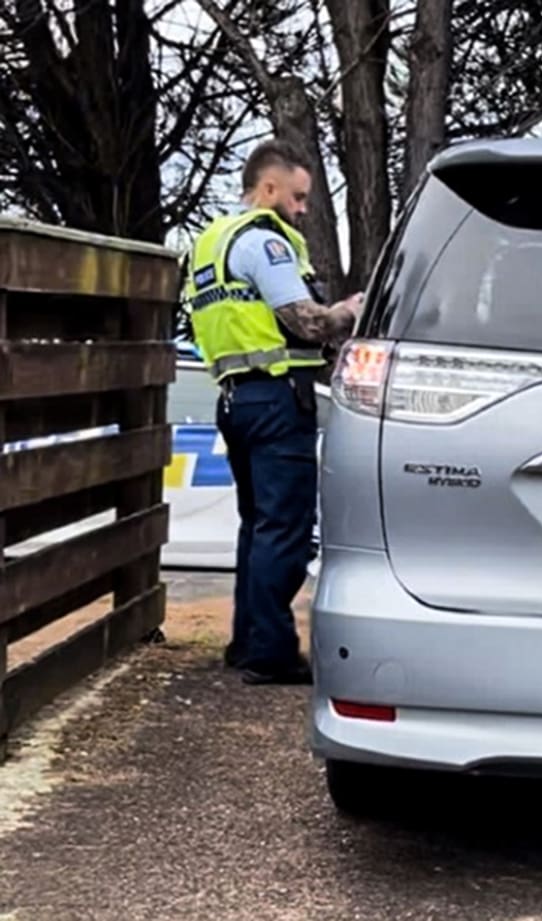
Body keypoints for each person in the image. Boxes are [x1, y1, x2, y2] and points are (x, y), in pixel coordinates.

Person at [179, 140, 362, 685]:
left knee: (257, 526)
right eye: (299, 197)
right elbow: (304, 321)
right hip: (279, 396)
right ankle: (272, 652)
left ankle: (248, 641)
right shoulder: (264, 242)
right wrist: (346, 312)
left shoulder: (210, 243)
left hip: (235, 397)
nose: (303, 209)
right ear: (269, 189)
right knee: (285, 527)